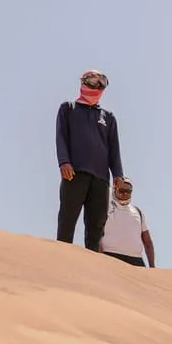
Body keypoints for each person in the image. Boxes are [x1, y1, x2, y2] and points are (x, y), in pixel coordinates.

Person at [55, 69, 125, 251]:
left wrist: (118, 174)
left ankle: (92, 263)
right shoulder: (68, 108)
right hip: (74, 173)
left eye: (102, 82)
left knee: (97, 225)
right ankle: (60, 257)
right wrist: (64, 161)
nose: (98, 86)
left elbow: (114, 148)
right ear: (83, 81)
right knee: (68, 218)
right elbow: (61, 137)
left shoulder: (108, 117)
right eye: (94, 81)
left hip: (101, 178)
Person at [101, 176, 156, 268]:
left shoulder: (138, 211)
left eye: (128, 191)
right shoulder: (106, 208)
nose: (125, 194)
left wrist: (152, 266)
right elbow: (96, 233)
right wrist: (100, 257)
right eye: (122, 191)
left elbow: (147, 242)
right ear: (115, 190)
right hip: (110, 256)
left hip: (136, 259)